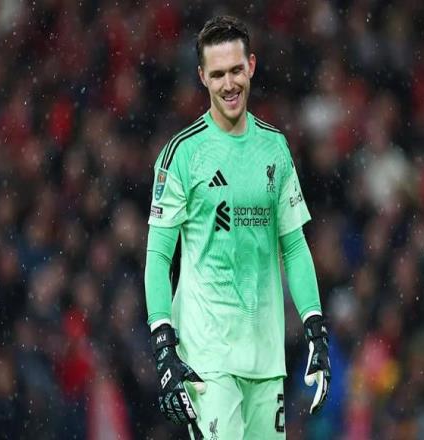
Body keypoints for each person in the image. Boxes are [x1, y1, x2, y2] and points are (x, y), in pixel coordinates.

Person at [144, 15, 331, 439]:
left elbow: (294, 246)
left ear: (251, 66)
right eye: (217, 75)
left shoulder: (275, 148)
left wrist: (315, 328)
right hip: (206, 356)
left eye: (235, 70)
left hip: (266, 356)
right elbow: (158, 256)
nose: (228, 84)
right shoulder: (182, 154)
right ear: (201, 77)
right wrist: (163, 346)